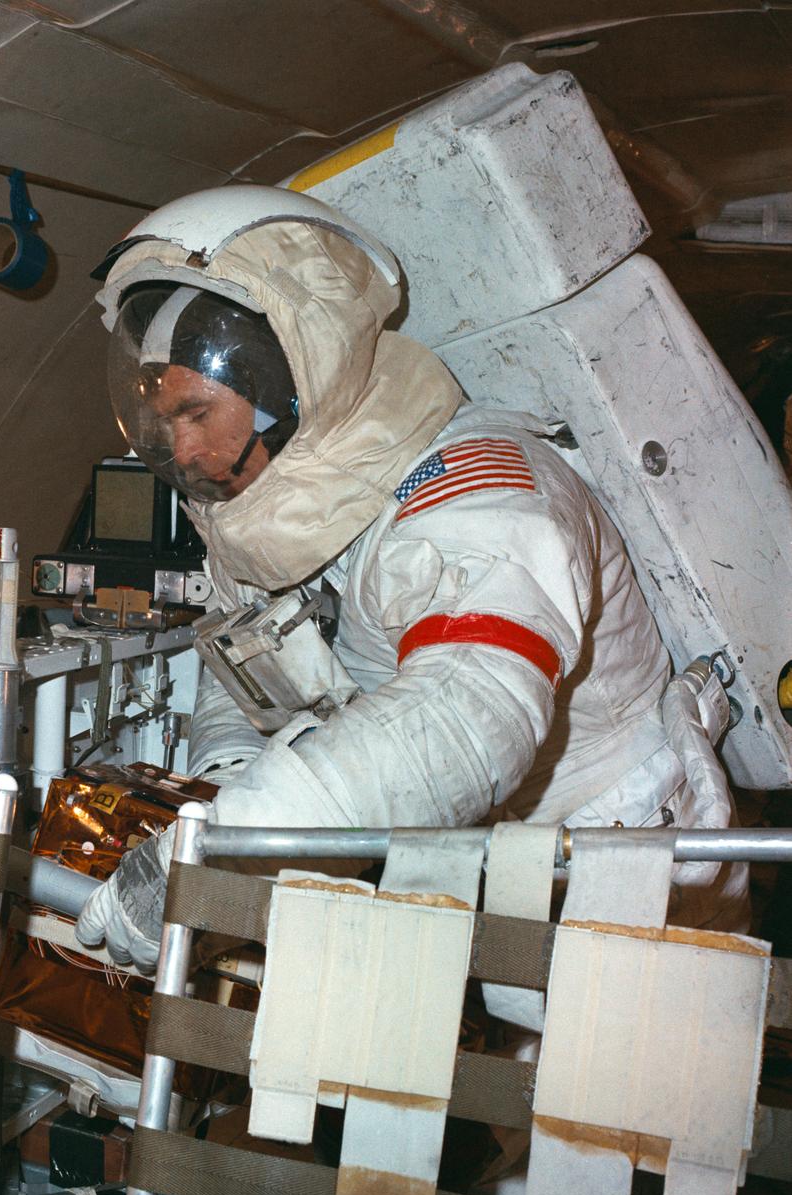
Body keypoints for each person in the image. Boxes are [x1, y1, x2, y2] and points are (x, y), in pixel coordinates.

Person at [74, 187, 747, 973]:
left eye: (197, 412)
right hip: (471, 858)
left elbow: (469, 713)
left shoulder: (480, 487)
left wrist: (222, 854)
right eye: (164, 423)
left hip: (626, 856)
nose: (183, 450)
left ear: (289, 378)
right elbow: (240, 666)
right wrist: (220, 792)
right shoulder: (252, 512)